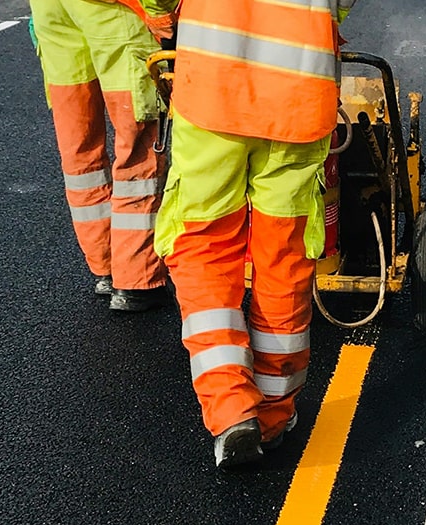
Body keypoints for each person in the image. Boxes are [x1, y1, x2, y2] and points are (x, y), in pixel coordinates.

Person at [154, 0, 356, 466]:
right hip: (299, 98)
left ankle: (231, 410)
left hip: (212, 94)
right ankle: (274, 414)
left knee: (202, 247)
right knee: (283, 256)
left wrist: (165, 19)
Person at [29, 0, 179, 311]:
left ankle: (106, 266)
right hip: (116, 12)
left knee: (80, 149)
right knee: (138, 147)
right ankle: (137, 279)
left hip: (53, 11)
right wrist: (163, 16)